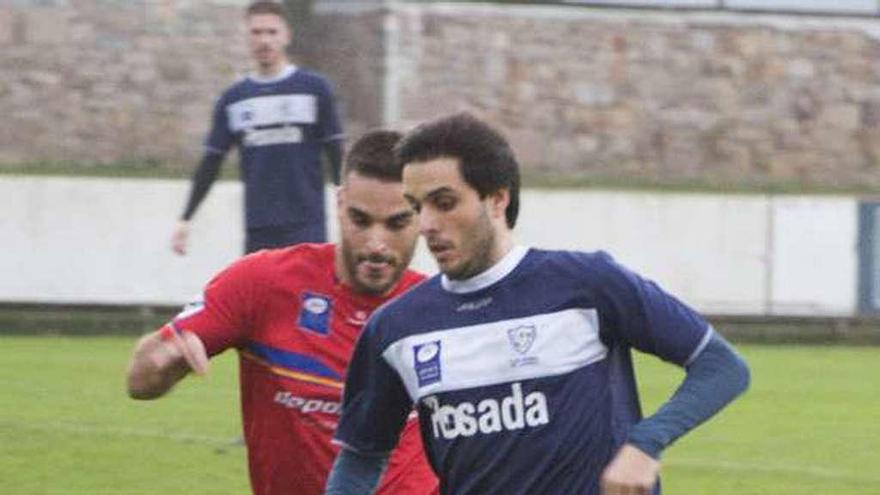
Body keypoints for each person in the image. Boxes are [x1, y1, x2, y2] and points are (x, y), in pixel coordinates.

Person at [325, 113, 751, 495]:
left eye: (445, 202)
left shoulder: (587, 285)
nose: (428, 225)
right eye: (418, 207)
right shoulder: (395, 329)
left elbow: (721, 367)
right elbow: (363, 455)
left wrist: (645, 443)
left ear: (497, 199)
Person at [128, 130, 439, 495]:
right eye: (360, 219)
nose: (376, 243)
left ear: (421, 215)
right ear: (339, 204)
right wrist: (165, 359)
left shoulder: (442, 307)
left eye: (397, 223)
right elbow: (139, 382)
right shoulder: (263, 283)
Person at [172, 1, 344, 256]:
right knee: (258, 295)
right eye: (256, 32)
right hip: (259, 226)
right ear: (246, 37)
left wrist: (348, 208)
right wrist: (186, 219)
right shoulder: (234, 99)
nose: (264, 40)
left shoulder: (314, 89)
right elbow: (211, 162)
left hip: (307, 224)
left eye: (272, 32)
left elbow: (336, 153)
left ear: (286, 36)